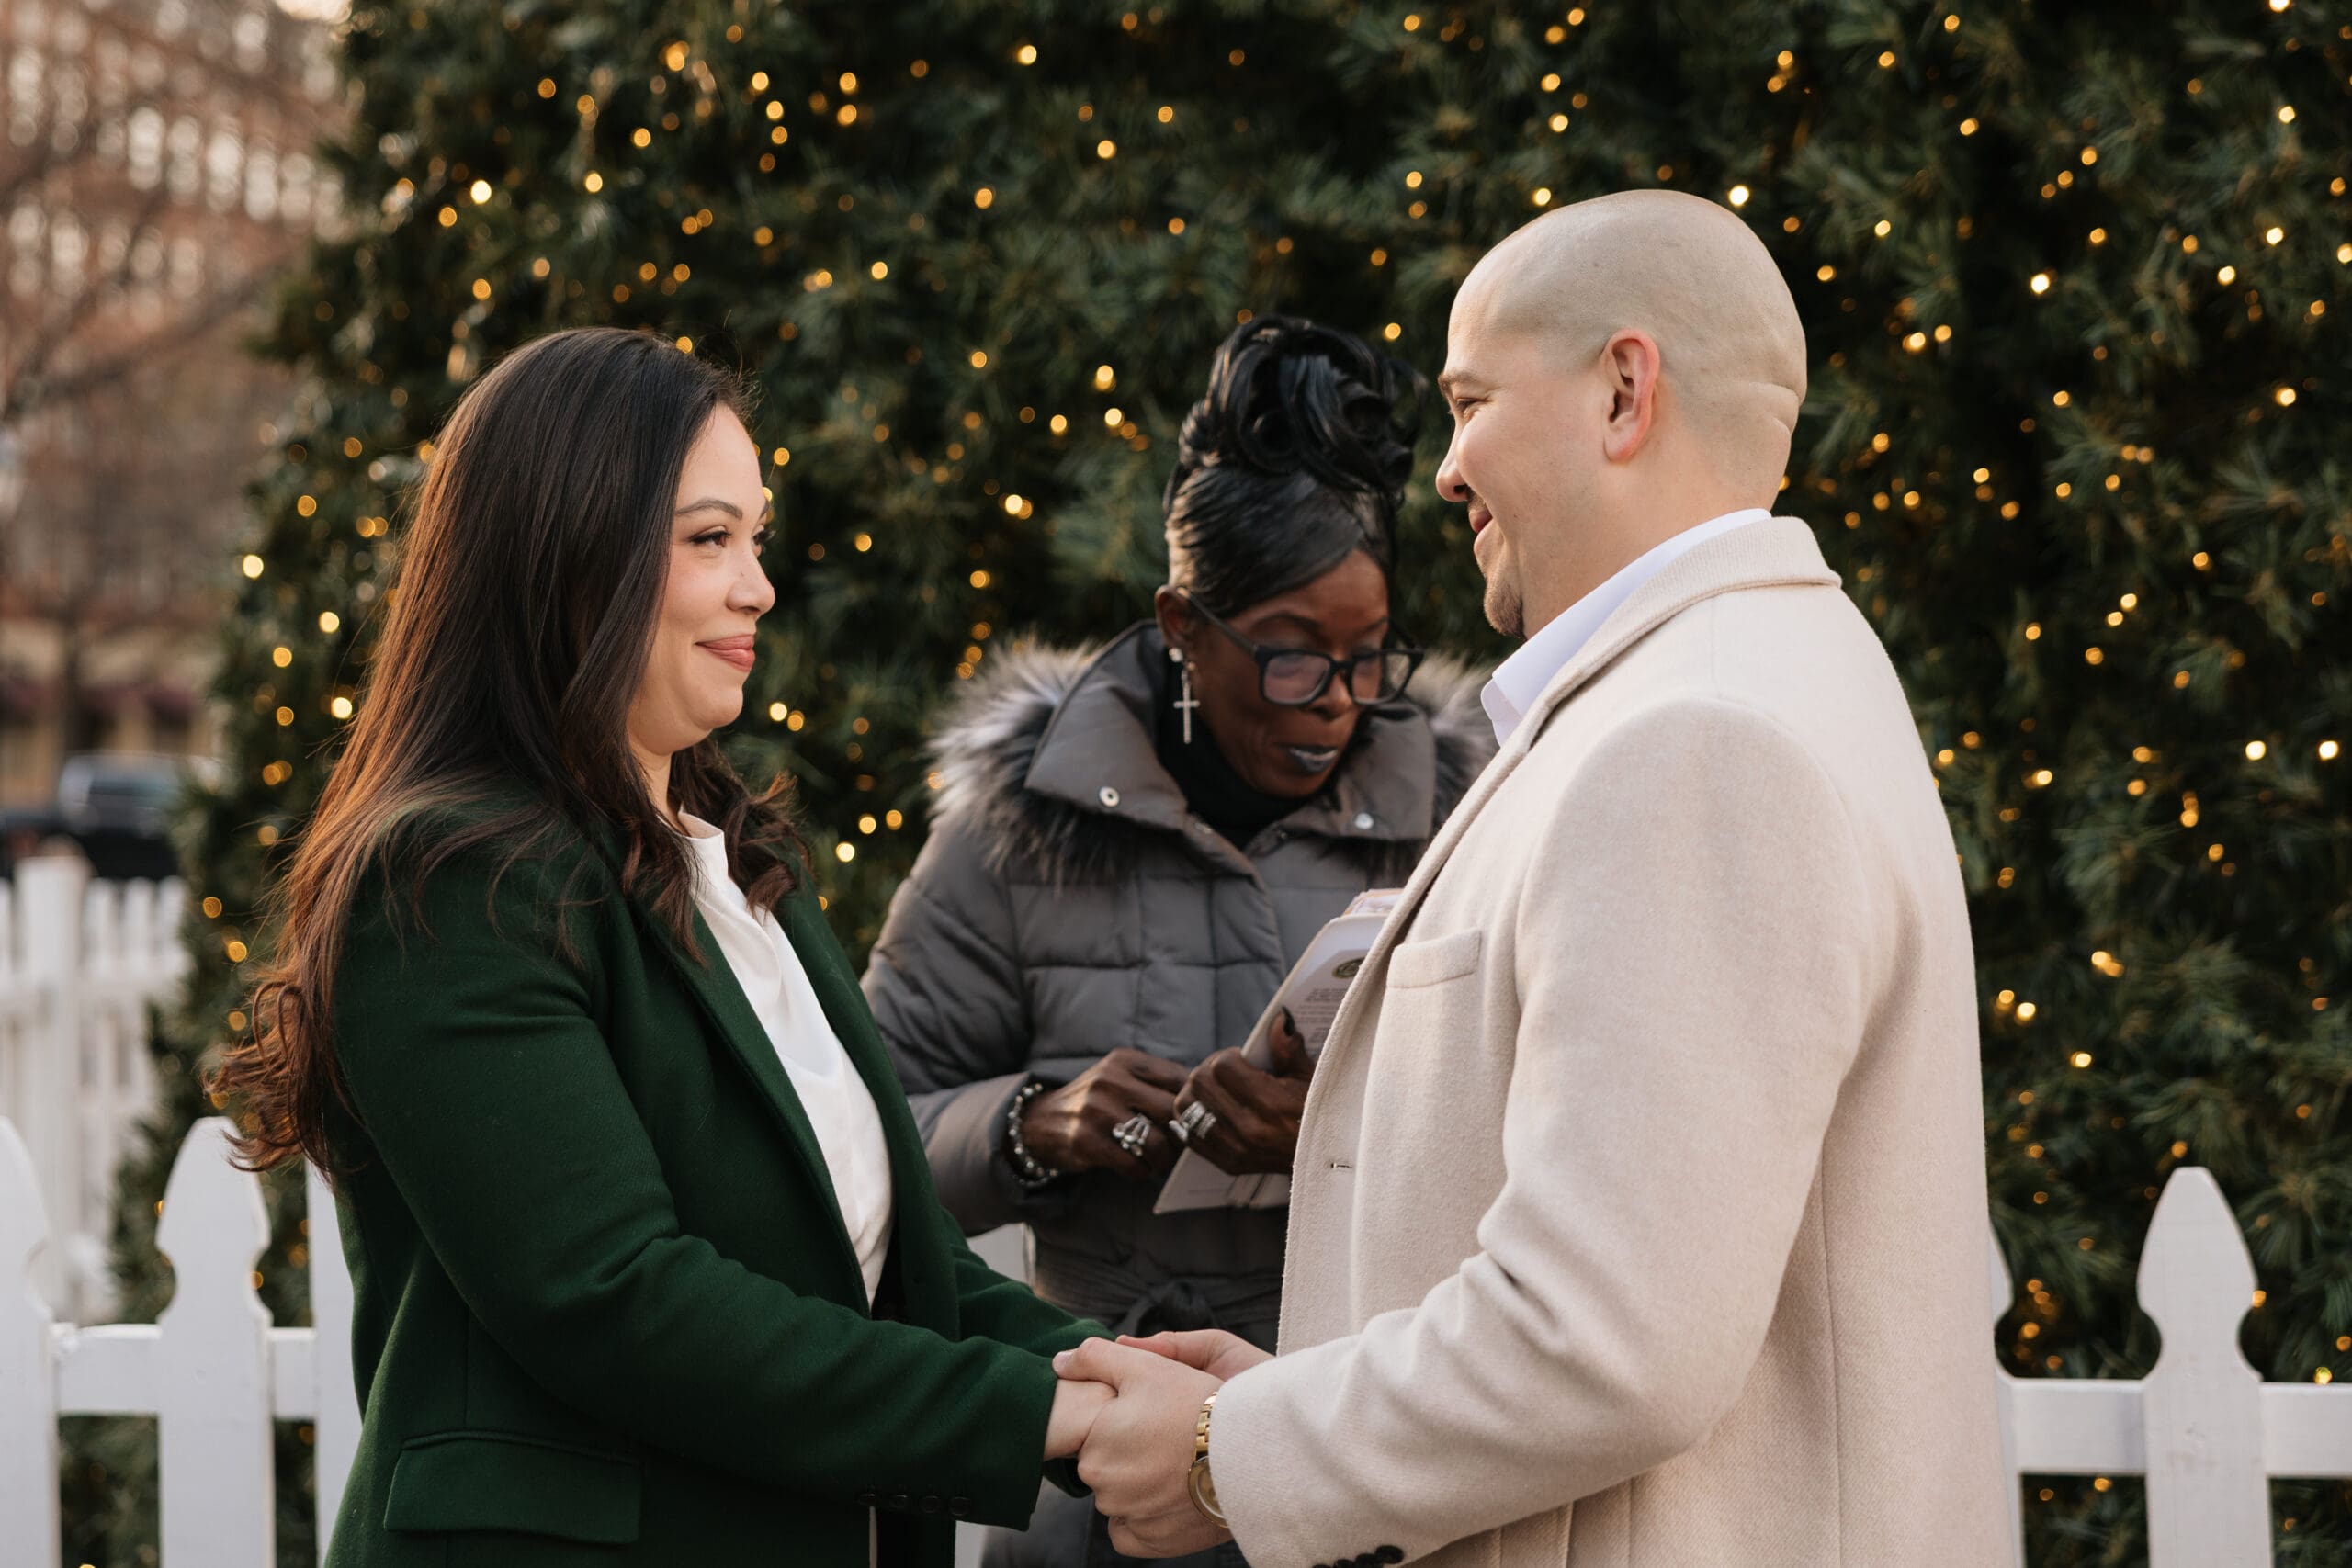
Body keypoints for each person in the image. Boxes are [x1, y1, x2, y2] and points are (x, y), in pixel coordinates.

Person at [1057, 190, 2010, 1567]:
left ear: (1625, 393)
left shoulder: (1698, 739)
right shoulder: (1764, 682)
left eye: (1472, 400)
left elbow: (1608, 1339)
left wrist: (1227, 1456)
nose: (1445, 471)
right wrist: (1284, 1394)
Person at [209, 326, 1111, 1568]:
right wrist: (1039, 1417)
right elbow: (614, 1298)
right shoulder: (450, 877)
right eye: (706, 540)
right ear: (572, 560)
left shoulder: (735, 864)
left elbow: (903, 1266)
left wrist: (1121, 1379)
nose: (758, 586)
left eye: (754, 535)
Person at [864, 315, 1494, 1568]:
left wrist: (1345, 1130)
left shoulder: (1471, 822)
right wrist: (1031, 1127)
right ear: (1180, 628)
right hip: (1095, 1481)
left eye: (1371, 658)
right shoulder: (1018, 830)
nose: (1341, 704)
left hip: (1358, 1471)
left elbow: (1548, 1132)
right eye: (1293, 656)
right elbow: (859, 1131)